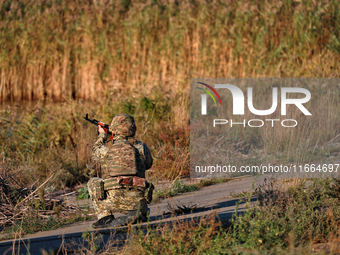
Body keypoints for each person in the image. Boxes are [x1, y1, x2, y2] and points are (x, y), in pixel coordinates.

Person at [87, 113, 153, 228]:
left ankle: (105, 218)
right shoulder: (142, 147)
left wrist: (102, 136)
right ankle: (139, 212)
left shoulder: (107, 150)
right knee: (140, 188)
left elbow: (95, 151)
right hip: (137, 200)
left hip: (113, 201)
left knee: (93, 182)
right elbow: (148, 164)